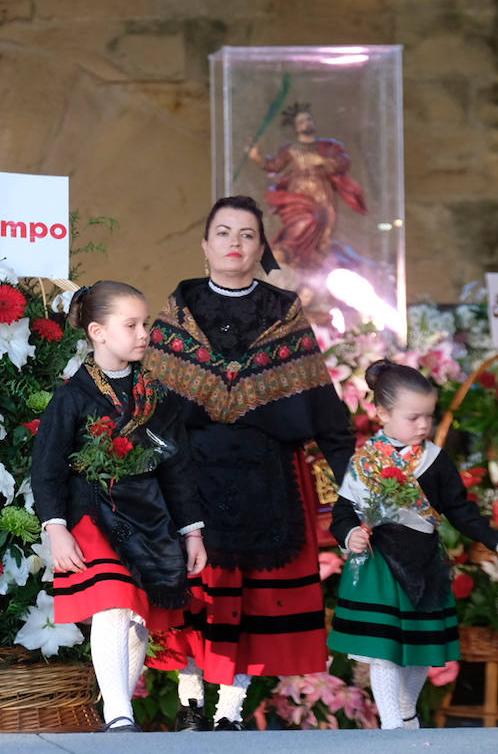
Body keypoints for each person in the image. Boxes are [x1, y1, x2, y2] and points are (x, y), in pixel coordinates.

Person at [143, 195, 355, 731]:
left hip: (268, 480)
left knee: (250, 601)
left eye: (246, 235)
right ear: (204, 246)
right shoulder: (177, 314)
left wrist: (359, 487)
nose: (234, 244)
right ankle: (191, 703)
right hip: (189, 477)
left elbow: (324, 408)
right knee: (191, 595)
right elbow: (144, 409)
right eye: (223, 233)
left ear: (261, 248)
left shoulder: (283, 314)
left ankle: (229, 712)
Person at [33, 281, 207, 733]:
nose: (143, 333)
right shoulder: (72, 395)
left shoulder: (158, 395)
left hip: (149, 517)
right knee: (113, 603)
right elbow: (47, 466)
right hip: (92, 515)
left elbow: (177, 468)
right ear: (98, 332)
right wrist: (55, 528)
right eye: (131, 325)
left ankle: (117, 714)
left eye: (144, 323)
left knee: (136, 617)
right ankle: (118, 716)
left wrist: (192, 531)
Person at [328, 360, 498, 729]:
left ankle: (406, 713)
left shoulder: (436, 459)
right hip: (379, 565)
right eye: (413, 418)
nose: (424, 426)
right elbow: (342, 513)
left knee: (420, 650)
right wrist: (351, 535)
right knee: (382, 653)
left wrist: (494, 538)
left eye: (428, 417)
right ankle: (391, 727)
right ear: (382, 413)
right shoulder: (365, 461)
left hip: (424, 562)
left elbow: (460, 509)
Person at [246, 103, 367, 276]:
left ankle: (313, 263)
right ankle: (287, 252)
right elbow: (274, 165)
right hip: (298, 195)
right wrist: (257, 158)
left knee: (324, 232)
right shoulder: (290, 149)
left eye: (308, 119)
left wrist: (323, 161)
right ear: (296, 127)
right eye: (301, 121)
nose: (306, 123)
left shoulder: (328, 146)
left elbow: (344, 161)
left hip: (322, 193)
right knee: (307, 219)